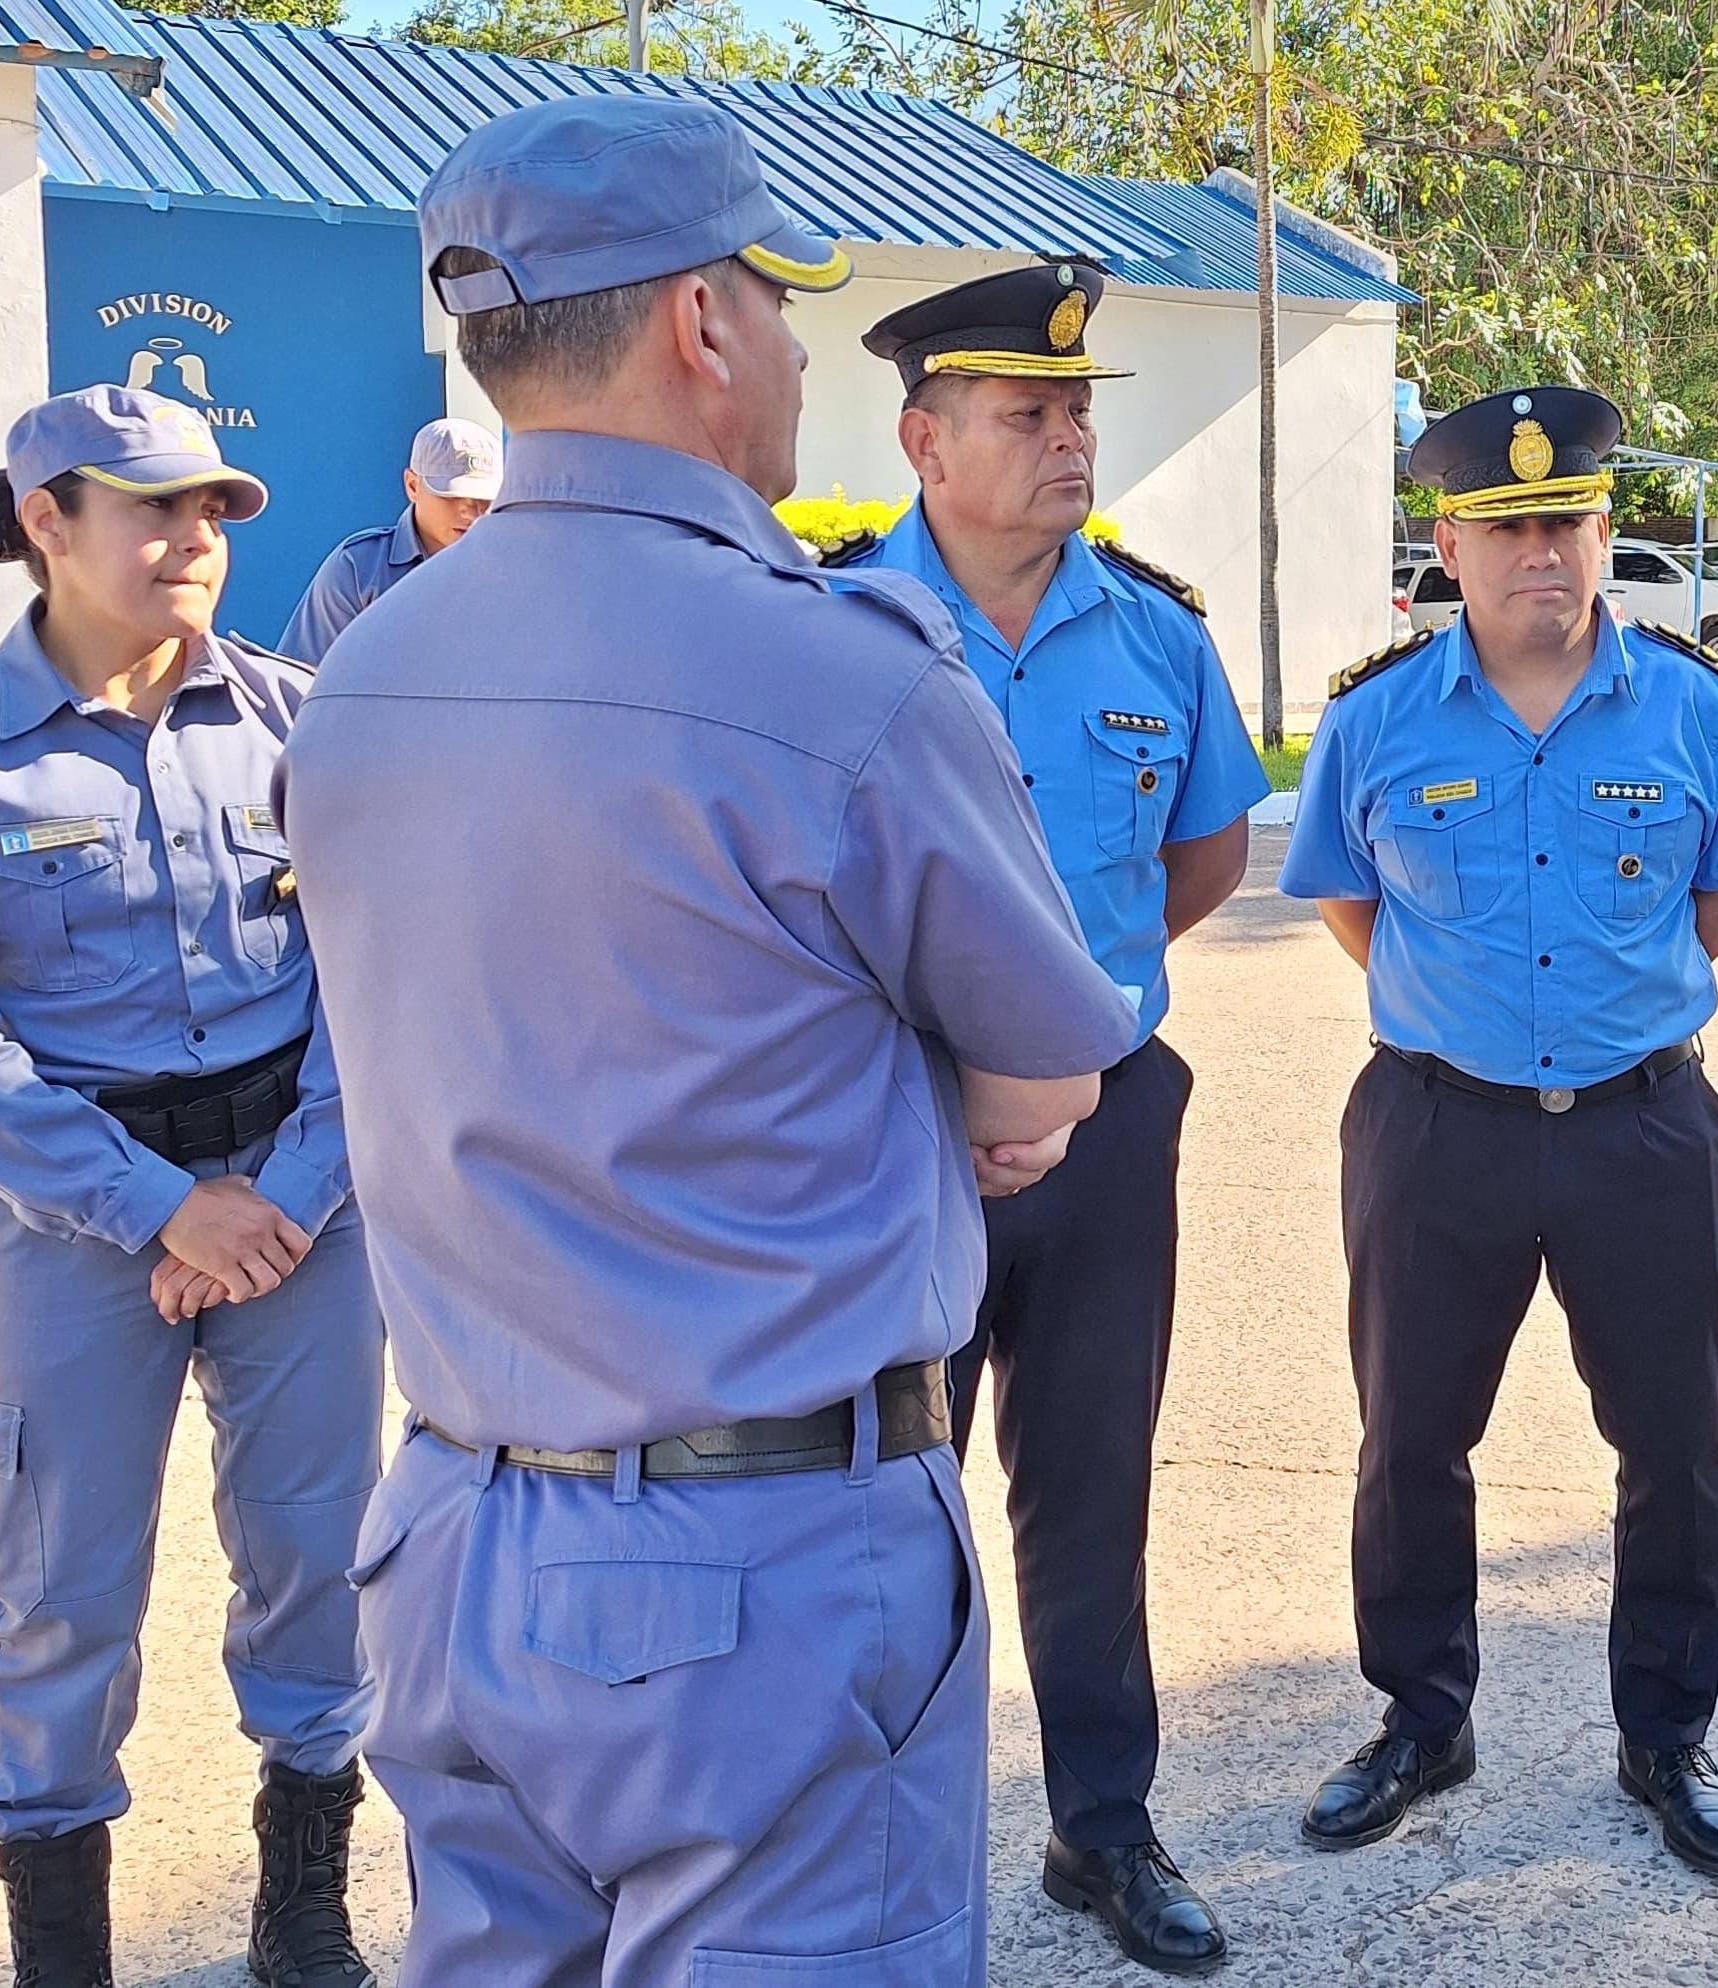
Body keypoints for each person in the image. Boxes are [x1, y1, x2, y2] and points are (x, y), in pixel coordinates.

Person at [277, 97, 1140, 1985]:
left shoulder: (361, 673)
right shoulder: (844, 669)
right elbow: (1047, 1079)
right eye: (774, 296)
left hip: (449, 1539)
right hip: (756, 1572)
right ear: (697, 324)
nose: (796, 344)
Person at [0, 384, 383, 1988]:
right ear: (42, 527)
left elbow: (379, 973)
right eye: (149, 507)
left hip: (301, 1204)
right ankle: (62, 1953)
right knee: (61, 1594)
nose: (190, 539)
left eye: (211, 509)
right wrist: (162, 1209)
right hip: (73, 1226)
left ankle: (305, 1916)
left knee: (322, 1561)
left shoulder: (299, 721)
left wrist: (288, 1187)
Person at [832, 257, 1265, 1977]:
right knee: (873, 1498)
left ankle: (1104, 1825)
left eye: (1078, 412)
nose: (1069, 438)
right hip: (887, 1134)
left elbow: (1209, 850)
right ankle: (867, 1834)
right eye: (1029, 413)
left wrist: (1068, 1038)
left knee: (1088, 1485)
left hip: (1103, 1129)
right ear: (924, 438)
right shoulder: (838, 627)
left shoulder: (1156, 632)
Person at [1277, 386, 1718, 1881]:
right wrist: (1471, 1018)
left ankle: (1667, 1738)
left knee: (1676, 1449)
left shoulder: (1695, 710)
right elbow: (1348, 904)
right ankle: (1424, 1721)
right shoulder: (1374, 719)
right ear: (1448, 545)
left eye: (1564, 523)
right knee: (1412, 1442)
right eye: (1505, 530)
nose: (1539, 555)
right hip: (1439, 1131)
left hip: (1643, 1127)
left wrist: (1601, 1012)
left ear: (1605, 530)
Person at [275, 417, 502, 662]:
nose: (469, 510)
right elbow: (303, 678)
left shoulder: (515, 570)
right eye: (451, 495)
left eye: (483, 499)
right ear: (413, 486)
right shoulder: (359, 568)